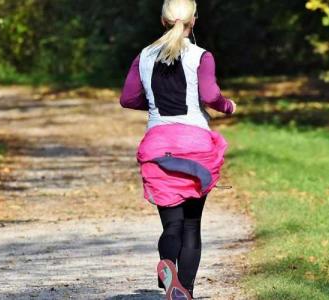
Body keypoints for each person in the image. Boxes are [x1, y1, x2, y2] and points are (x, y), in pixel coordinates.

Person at [119, 0, 236, 299]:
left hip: (159, 146)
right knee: (192, 226)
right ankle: (185, 292)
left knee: (172, 224)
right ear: (194, 21)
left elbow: (128, 98)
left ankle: (167, 264)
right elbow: (210, 95)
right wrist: (228, 106)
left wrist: (156, 104)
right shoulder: (201, 56)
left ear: (163, 21)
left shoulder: (144, 56)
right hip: (195, 147)